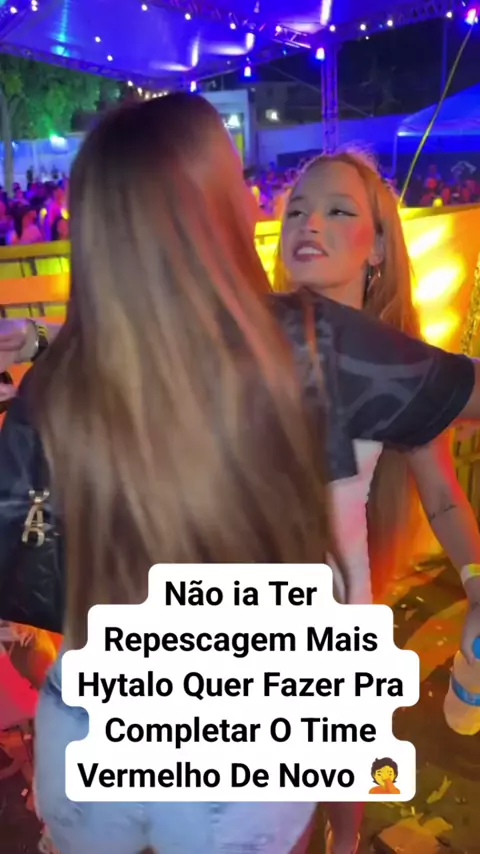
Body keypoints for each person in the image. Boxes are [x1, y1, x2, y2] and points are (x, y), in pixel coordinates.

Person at [0, 95, 480, 854]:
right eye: (284, 204)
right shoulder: (306, 342)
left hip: (91, 719)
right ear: (218, 208)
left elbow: (23, 563)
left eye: (338, 211)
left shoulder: (64, 378)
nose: (299, 220)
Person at [275, 149, 480, 853]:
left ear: (379, 247)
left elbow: (443, 498)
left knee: (339, 775)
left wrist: (475, 581)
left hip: (337, 614)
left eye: (338, 211)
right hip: (239, 609)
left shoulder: (399, 363)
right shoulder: (248, 334)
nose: (309, 223)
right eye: (297, 210)